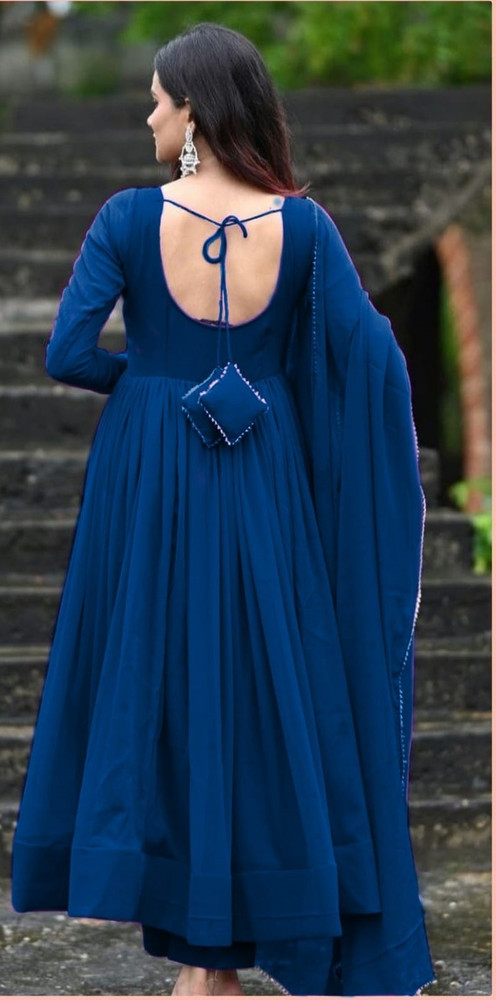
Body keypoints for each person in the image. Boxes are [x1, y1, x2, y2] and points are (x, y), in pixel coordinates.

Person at [10, 21, 435, 998]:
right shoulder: (306, 229)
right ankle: (225, 956)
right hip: (264, 480)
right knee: (264, 693)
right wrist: (264, 390)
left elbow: (67, 353)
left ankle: (204, 967)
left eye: (158, 99)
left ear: (194, 111)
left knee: (161, 688)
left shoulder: (126, 218)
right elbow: (368, 361)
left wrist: (152, 387)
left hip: (150, 479)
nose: (148, 116)